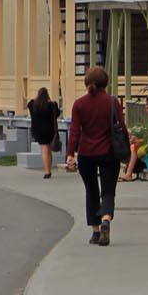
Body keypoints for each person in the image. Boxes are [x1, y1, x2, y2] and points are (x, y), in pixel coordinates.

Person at [65, 65, 124, 246]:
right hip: (109, 153)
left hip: (86, 153)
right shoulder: (113, 102)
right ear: (105, 82)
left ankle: (95, 232)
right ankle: (106, 218)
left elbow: (75, 131)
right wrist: (126, 151)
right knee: (108, 190)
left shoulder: (79, 104)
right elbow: (121, 126)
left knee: (91, 191)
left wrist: (70, 154)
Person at [28, 87, 59, 179]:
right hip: (50, 130)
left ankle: (47, 171)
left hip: (38, 130)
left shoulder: (33, 104)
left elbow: (29, 104)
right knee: (48, 150)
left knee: (44, 149)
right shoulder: (51, 105)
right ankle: (48, 169)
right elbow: (57, 114)